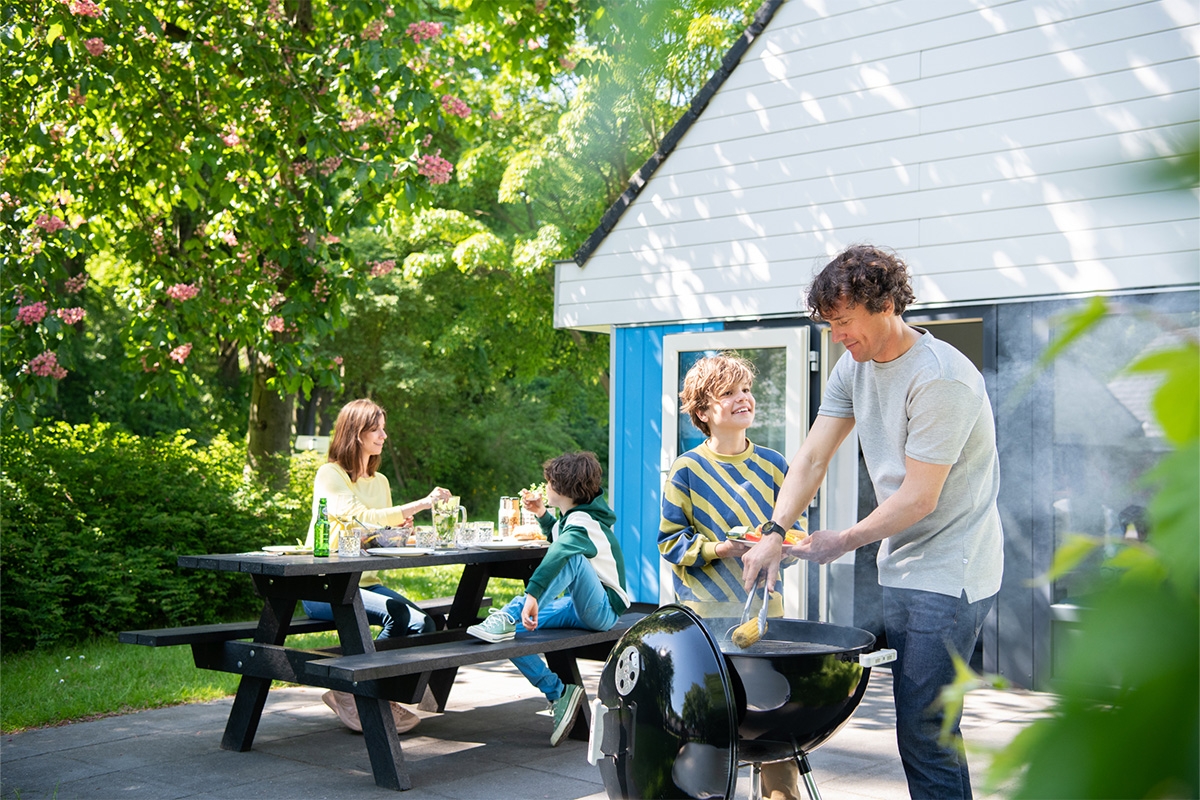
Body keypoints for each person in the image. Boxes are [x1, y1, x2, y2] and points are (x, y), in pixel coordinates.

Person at [742, 244, 1004, 800]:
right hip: (902, 562)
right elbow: (813, 458)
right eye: (829, 325)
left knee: (925, 731)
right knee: (928, 730)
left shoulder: (941, 378)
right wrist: (773, 532)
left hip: (952, 570)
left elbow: (919, 498)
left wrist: (843, 540)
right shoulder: (852, 365)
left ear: (885, 304)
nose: (836, 335)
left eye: (843, 321)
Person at [659, 353, 808, 800]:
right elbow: (669, 542)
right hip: (703, 623)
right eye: (728, 393)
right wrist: (718, 549)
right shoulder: (686, 469)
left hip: (764, 618)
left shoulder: (775, 465)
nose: (743, 398)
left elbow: (795, 534)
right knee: (707, 730)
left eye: (746, 389)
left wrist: (781, 548)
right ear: (703, 411)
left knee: (774, 727)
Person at [303, 398, 453, 735]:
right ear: (356, 433)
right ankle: (361, 694)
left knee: (425, 624)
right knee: (399, 617)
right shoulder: (330, 475)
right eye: (377, 430)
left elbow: (376, 535)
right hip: (321, 584)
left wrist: (399, 531)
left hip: (364, 582)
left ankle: (369, 694)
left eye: (384, 429)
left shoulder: (380, 481)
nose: (384, 436)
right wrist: (421, 504)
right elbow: (361, 517)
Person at [466, 451, 631, 747]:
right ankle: (558, 692)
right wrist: (542, 514)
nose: (546, 486)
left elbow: (562, 550)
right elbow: (559, 536)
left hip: (603, 609)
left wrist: (533, 594)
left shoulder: (583, 523)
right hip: (578, 605)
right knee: (506, 634)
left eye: (549, 482)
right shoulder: (574, 518)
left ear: (563, 488)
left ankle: (510, 612)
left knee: (572, 560)